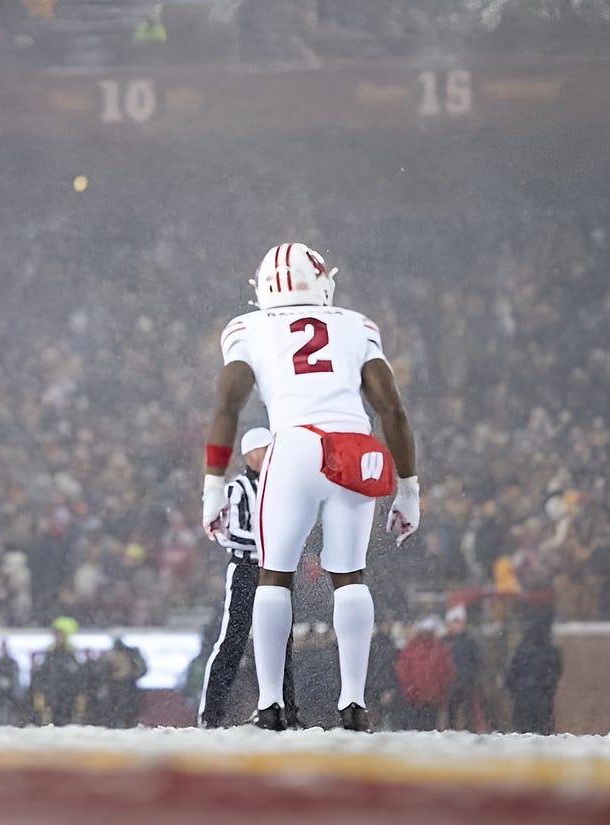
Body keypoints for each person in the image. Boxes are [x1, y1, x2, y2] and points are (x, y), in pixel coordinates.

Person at [201, 242, 419, 732]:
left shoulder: (247, 327)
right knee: (350, 576)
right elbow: (391, 408)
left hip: (294, 445)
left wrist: (212, 487)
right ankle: (354, 706)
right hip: (354, 443)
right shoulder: (356, 324)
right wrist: (409, 489)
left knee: (274, 575)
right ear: (321, 281)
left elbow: (227, 406)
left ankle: (272, 706)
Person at [197, 427, 299, 728]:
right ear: (251, 454)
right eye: (265, 450)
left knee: (281, 641)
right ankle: (211, 714)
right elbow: (231, 534)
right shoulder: (238, 488)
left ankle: (285, 711)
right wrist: (270, 541)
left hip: (276, 571)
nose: (271, 456)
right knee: (234, 640)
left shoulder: (281, 487)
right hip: (246, 569)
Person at [507, 616, 562, 734]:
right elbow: (555, 672)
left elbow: (512, 672)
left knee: (525, 730)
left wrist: (515, 689)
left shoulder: (523, 649)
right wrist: (548, 688)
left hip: (524, 695)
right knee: (542, 729)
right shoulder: (550, 650)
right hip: (541, 696)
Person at [442, 604, 483, 732]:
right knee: (451, 711)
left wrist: (470, 676)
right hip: (450, 684)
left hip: (466, 682)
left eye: (458, 622)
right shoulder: (444, 641)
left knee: (468, 712)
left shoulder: (469, 641)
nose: (455, 625)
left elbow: (476, 661)